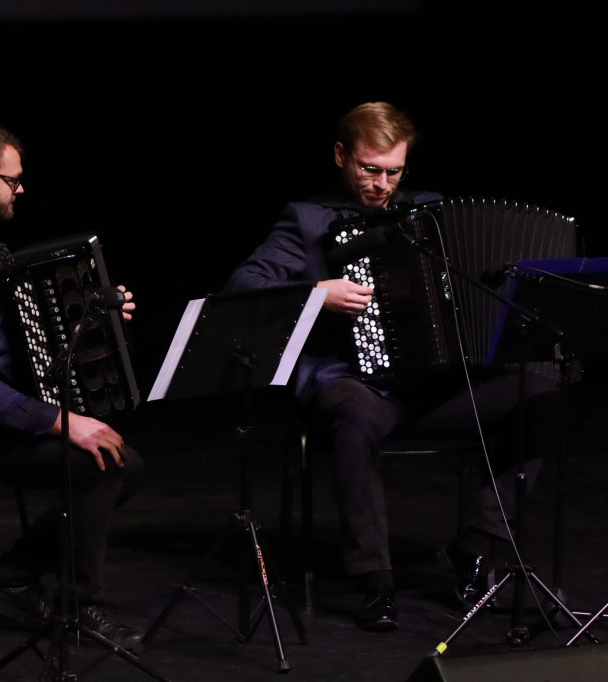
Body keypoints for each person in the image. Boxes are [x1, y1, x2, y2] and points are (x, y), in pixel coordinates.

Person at [224, 102, 560, 632]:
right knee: (353, 413)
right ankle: (374, 580)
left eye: (394, 171)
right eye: (369, 169)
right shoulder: (307, 220)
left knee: (539, 392)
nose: (382, 184)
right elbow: (242, 289)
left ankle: (477, 548)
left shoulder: (432, 213)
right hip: (351, 382)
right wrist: (316, 293)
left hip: (435, 386)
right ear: (341, 156)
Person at [0, 119, 145, 647]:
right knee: (96, 465)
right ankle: (76, 608)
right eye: (12, 180)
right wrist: (65, 423)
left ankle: (12, 576)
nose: (20, 189)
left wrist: (101, 318)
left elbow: (23, 336)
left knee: (124, 462)